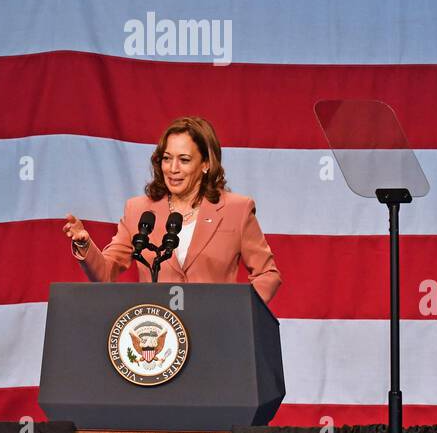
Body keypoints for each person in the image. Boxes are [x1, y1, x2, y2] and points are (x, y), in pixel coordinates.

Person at [62, 115, 281, 305]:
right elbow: (106, 273)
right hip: (158, 336)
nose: (173, 169)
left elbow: (267, 274)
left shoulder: (236, 210)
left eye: (184, 160)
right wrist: (85, 245)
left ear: (205, 164)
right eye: (167, 158)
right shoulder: (139, 210)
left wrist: (238, 311)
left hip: (216, 335)